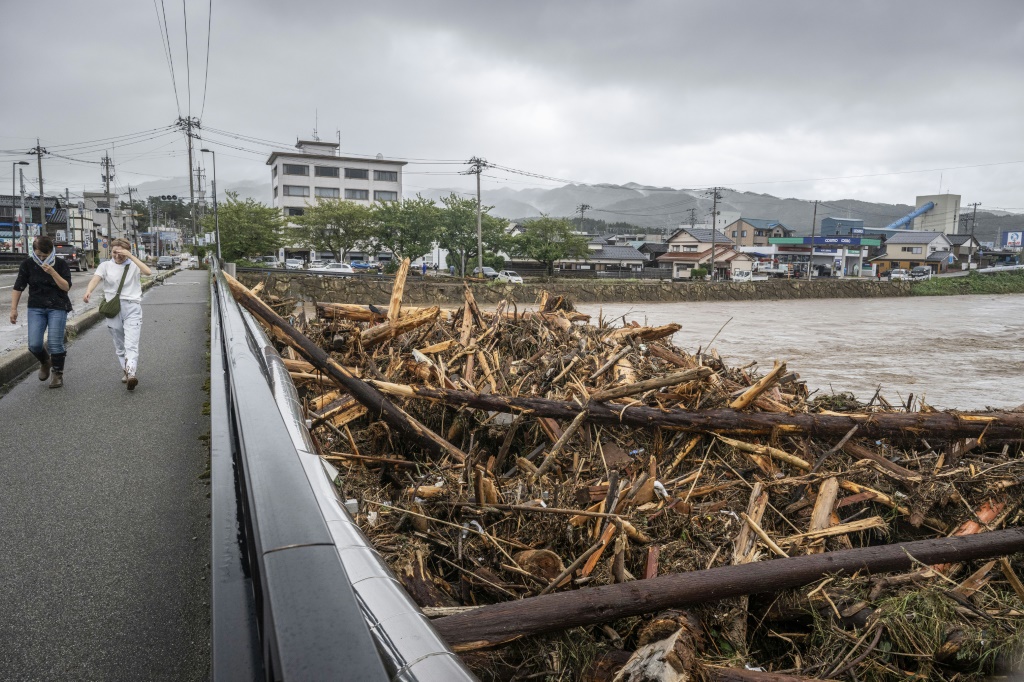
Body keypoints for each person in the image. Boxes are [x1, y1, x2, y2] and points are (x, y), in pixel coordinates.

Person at [82, 238, 152, 390]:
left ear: (127, 252)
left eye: (121, 253)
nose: (117, 256)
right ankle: (126, 370)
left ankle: (131, 373)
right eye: (114, 252)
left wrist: (131, 256)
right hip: (113, 308)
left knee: (131, 344)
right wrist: (89, 291)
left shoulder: (133, 264)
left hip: (132, 306)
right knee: (120, 345)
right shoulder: (105, 265)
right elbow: (96, 279)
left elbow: (148, 272)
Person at [9, 235, 73, 388]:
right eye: (39, 255)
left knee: (55, 343)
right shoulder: (28, 264)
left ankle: (57, 374)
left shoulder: (61, 264)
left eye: (45, 255)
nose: (42, 258)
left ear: (51, 251)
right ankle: (45, 362)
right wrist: (13, 309)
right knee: (34, 344)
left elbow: (66, 287)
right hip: (36, 307)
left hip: (57, 305)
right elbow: (18, 287)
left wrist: (52, 272)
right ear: (34, 252)